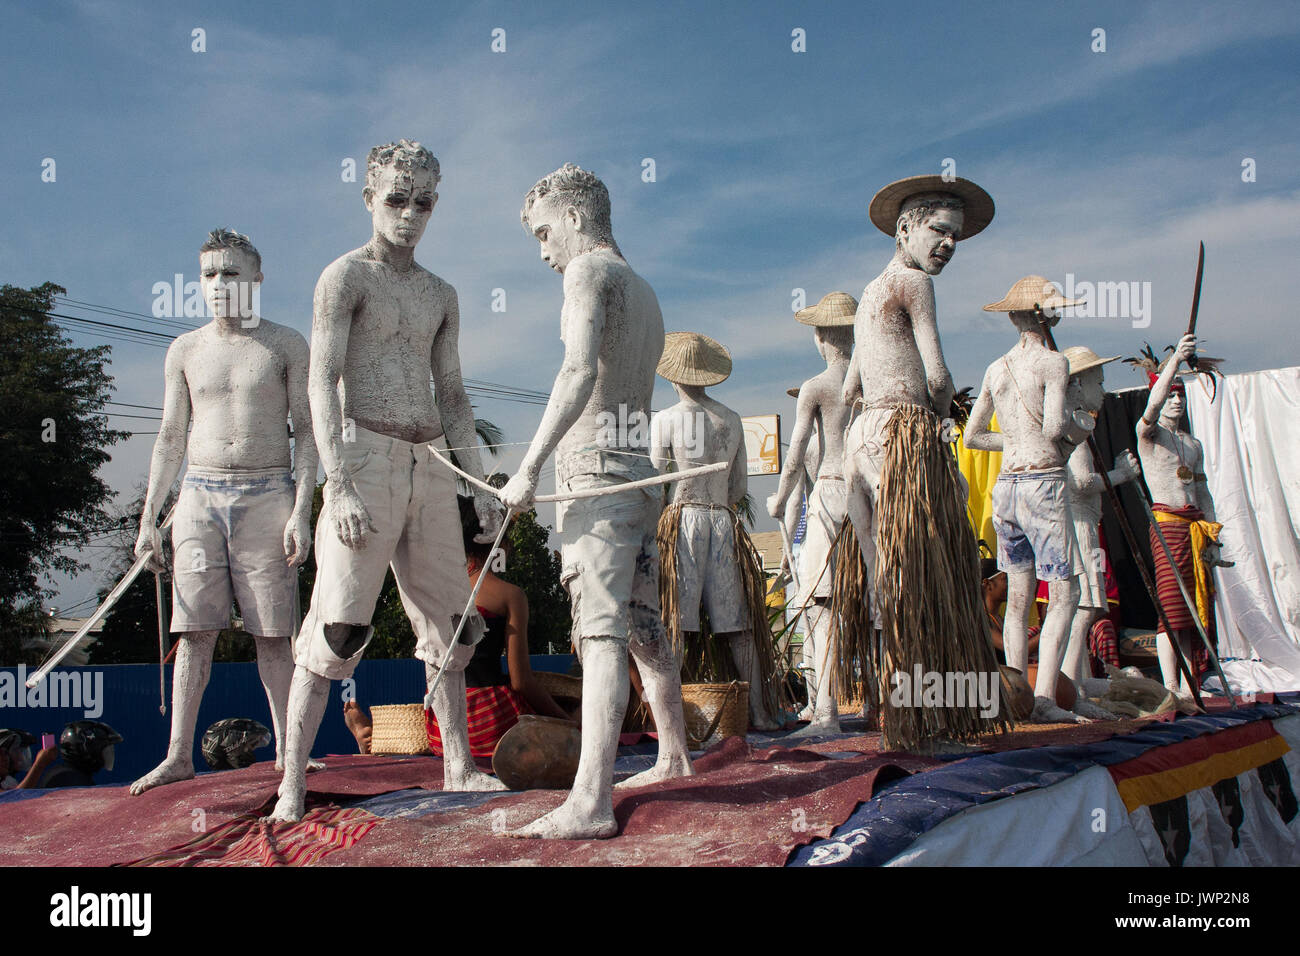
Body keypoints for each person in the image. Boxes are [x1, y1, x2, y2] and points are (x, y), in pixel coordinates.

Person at [270, 140, 506, 823]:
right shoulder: (344, 277)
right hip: (365, 456)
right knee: (339, 624)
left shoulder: (441, 292)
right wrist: (335, 483)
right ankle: (292, 784)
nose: (409, 214)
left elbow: (455, 393)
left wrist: (479, 483)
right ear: (370, 197)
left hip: (431, 459)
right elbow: (321, 380)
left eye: (423, 202)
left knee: (452, 623)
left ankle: (458, 763)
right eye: (396, 199)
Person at [501, 162, 693, 839]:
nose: (544, 251)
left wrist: (526, 468)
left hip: (599, 475)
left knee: (602, 629)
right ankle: (672, 752)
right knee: (643, 622)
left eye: (544, 232)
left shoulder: (589, 274)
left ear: (576, 218)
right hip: (636, 473)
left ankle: (591, 799)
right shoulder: (643, 289)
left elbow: (578, 368)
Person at [130, 229, 318, 795]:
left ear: (256, 279)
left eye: (231, 273)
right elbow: (169, 436)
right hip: (198, 496)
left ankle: (291, 750)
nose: (219, 284)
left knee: (273, 634)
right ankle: (178, 754)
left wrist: (302, 509)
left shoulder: (286, 344)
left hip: (269, 492)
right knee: (194, 632)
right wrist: (148, 517)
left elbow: (307, 433)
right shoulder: (184, 349)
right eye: (210, 274)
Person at [840, 174, 1006, 748]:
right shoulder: (913, 283)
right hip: (904, 434)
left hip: (862, 436)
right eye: (939, 230)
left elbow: (849, 389)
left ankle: (900, 715)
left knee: (887, 581)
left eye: (956, 236)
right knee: (921, 577)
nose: (948, 245)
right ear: (905, 228)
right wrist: (943, 419)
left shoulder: (868, 291)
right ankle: (922, 724)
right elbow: (936, 375)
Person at [966, 276, 1096, 722]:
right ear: (1044, 314)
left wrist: (1016, 442)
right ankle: (1041, 699)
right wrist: (1077, 423)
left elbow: (973, 435)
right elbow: (1057, 426)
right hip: (1042, 481)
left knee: (1018, 596)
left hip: (1008, 487)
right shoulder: (1053, 362)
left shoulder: (996, 368)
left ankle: (1015, 692)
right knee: (1064, 591)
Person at [651, 332, 780, 730]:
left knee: (676, 623)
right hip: (723, 520)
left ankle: (671, 720)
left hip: (684, 519)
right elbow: (739, 488)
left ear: (674, 377)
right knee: (738, 626)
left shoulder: (667, 419)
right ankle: (759, 712)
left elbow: (657, 479)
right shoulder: (732, 419)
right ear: (707, 375)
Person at [767, 293, 856, 733]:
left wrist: (779, 502)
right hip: (865, 497)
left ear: (820, 338)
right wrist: (795, 531)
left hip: (831, 492)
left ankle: (827, 712)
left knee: (822, 604)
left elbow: (795, 458)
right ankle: (872, 703)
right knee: (869, 603)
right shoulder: (869, 383)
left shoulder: (818, 387)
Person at [1135, 334, 1222, 699]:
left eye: (1180, 395)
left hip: (1195, 528)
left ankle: (1190, 685)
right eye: (1170, 393)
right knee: (1172, 609)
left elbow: (1202, 490)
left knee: (1193, 611)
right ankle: (1170, 685)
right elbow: (1151, 410)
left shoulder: (1192, 443)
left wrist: (1215, 538)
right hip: (1168, 526)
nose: (1175, 401)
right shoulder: (1148, 435)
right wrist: (1174, 364)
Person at [42, 721, 123, 788]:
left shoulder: (59, 772)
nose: (109, 756)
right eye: (106, 751)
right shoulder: (75, 781)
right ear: (88, 751)